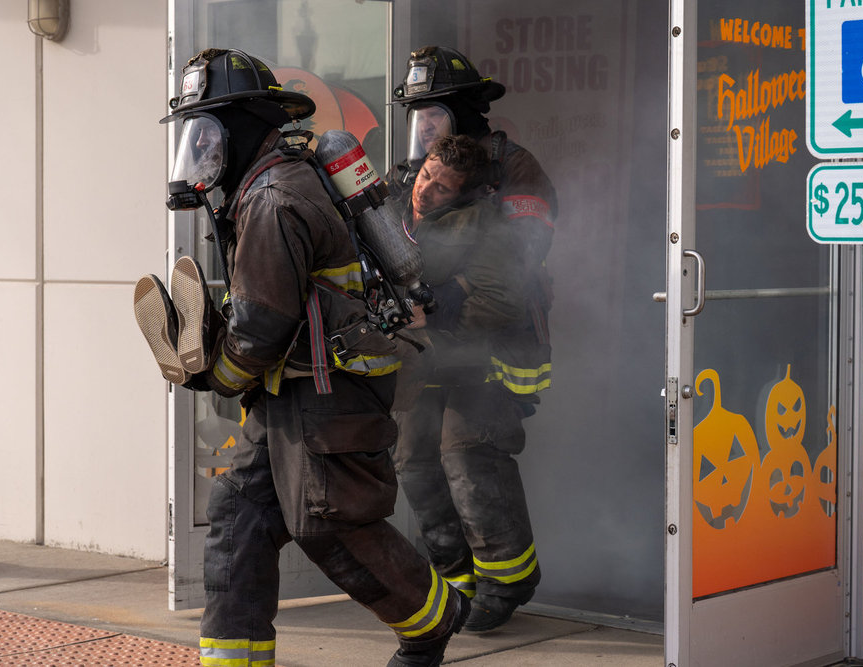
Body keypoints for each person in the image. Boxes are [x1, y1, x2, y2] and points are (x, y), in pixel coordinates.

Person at [133, 48, 469, 667]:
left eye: (207, 132)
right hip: (297, 385)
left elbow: (262, 325)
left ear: (242, 127)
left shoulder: (272, 196)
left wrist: (217, 376)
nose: (198, 148)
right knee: (241, 516)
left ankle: (432, 620)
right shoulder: (273, 180)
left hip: (329, 390)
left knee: (329, 524)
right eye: (192, 134)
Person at [389, 54, 558, 630]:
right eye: (417, 117)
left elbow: (522, 254)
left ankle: (506, 583)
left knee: (468, 452)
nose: (424, 128)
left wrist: (453, 289)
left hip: (493, 341)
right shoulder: (413, 173)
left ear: (462, 112)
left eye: (434, 114)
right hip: (425, 344)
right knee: (412, 457)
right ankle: (454, 576)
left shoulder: (512, 166)